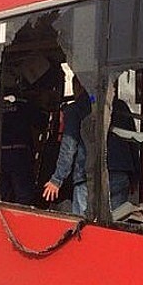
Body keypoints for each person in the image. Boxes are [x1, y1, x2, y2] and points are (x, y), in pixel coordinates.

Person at [42, 78, 92, 216]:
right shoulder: (117, 105)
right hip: (120, 176)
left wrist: (56, 180)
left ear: (79, 86)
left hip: (88, 177)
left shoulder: (75, 109)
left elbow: (69, 146)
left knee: (83, 226)